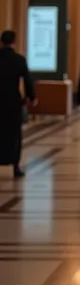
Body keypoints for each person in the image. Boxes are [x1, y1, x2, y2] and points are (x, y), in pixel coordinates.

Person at [0, 30, 37, 178]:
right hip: (13, 101)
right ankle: (15, 165)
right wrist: (31, 97)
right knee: (14, 133)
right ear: (14, 42)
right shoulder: (19, 59)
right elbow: (27, 80)